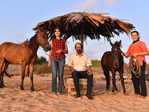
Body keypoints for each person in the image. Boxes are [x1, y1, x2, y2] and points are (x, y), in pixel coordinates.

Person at [125, 30, 148, 97]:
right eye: (132, 35)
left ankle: (143, 94)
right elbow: (128, 54)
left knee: (141, 79)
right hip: (133, 64)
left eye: (135, 35)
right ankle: (137, 93)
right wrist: (125, 55)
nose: (134, 37)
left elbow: (147, 52)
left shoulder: (141, 43)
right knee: (134, 79)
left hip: (140, 63)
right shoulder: (131, 45)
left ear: (138, 36)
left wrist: (137, 54)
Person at [49, 28, 68, 95]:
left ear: (60, 32)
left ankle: (60, 90)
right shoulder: (52, 41)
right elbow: (50, 51)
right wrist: (49, 61)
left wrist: (61, 51)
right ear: (54, 33)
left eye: (58, 31)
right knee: (54, 74)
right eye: (56, 31)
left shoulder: (63, 41)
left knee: (60, 74)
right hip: (53, 58)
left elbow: (67, 51)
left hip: (61, 59)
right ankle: (54, 90)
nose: (57, 32)